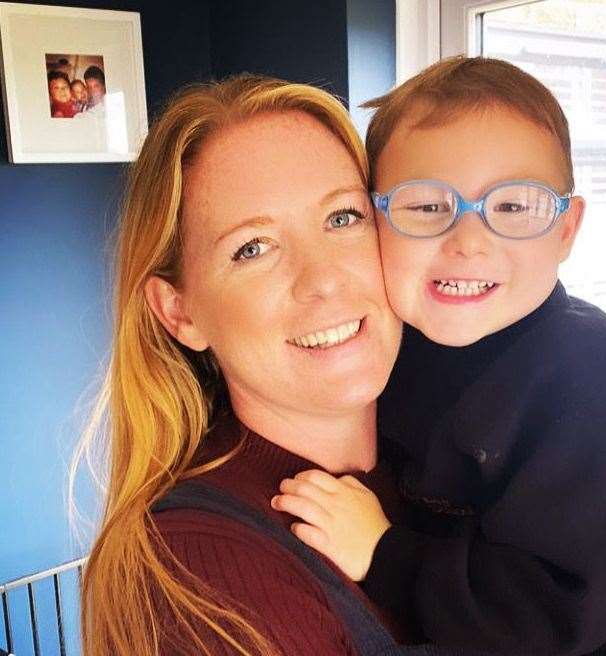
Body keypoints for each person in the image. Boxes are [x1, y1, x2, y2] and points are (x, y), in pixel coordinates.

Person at [275, 56, 606, 656]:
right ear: (372, 220)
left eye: (514, 207)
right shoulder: (387, 347)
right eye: (425, 206)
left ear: (566, 229)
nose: (468, 242)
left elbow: (547, 618)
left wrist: (386, 553)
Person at [75, 74, 417, 656]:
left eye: (342, 218)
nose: (324, 279)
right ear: (180, 312)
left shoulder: (453, 459)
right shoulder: (201, 564)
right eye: (252, 248)